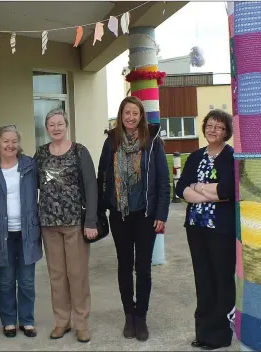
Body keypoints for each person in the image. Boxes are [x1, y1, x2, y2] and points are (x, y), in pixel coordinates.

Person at [97, 96, 170, 342]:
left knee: (144, 268)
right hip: (120, 215)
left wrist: (161, 214)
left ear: (141, 116)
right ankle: (129, 314)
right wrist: (101, 209)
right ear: (121, 115)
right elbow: (102, 177)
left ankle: (142, 316)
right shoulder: (112, 141)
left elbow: (162, 180)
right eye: (127, 113)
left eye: (135, 113)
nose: (130, 117)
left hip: (146, 216)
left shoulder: (152, 141)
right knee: (125, 265)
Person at [34, 108, 98, 343]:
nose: (56, 128)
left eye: (60, 124)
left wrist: (90, 220)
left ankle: (81, 323)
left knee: (77, 274)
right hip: (48, 223)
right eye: (51, 124)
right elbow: (32, 183)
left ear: (66, 125)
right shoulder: (40, 153)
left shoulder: (80, 151)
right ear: (46, 128)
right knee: (57, 276)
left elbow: (91, 186)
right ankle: (62, 321)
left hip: (75, 223)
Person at [175, 109, 236, 350]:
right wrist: (207, 194)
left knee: (222, 280)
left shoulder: (231, 157)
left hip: (221, 230)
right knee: (203, 279)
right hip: (196, 228)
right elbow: (181, 189)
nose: (213, 130)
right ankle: (203, 332)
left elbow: (227, 191)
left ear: (226, 132)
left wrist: (197, 188)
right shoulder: (195, 156)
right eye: (210, 125)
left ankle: (220, 335)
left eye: (219, 127)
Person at [0, 125, 43, 338]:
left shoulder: (30, 165)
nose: (10, 145)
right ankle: (8, 321)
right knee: (6, 281)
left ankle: (27, 320)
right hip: (1, 234)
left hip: (27, 231)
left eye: (14, 140)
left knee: (26, 281)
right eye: (5, 141)